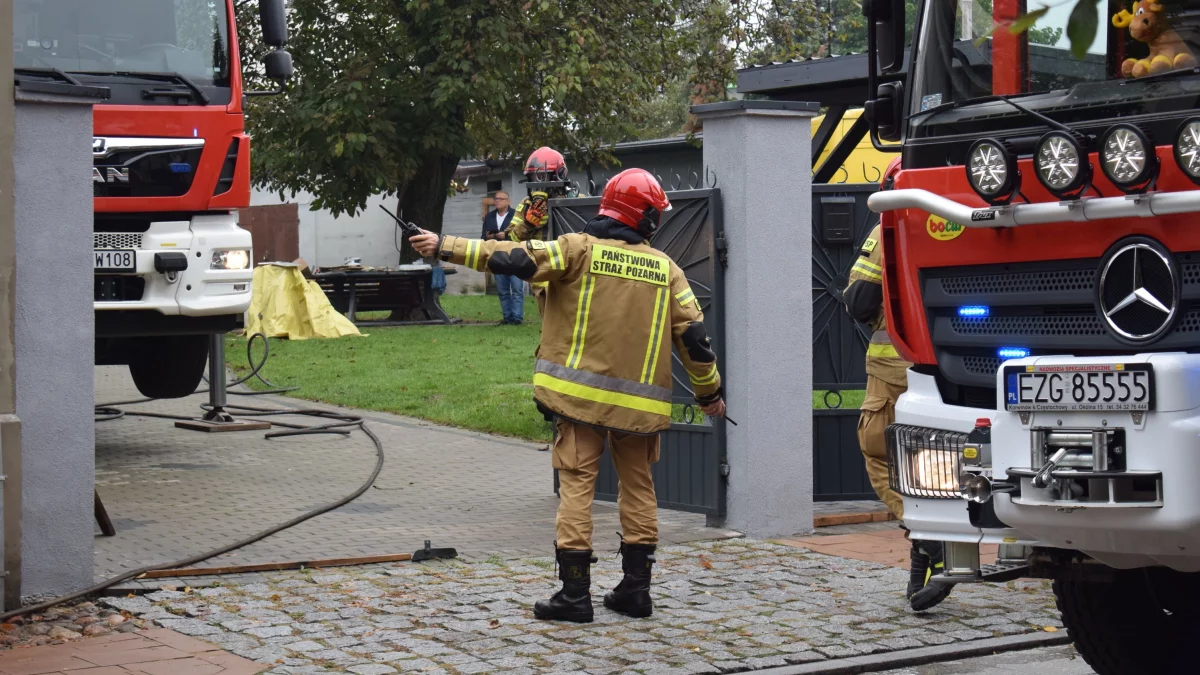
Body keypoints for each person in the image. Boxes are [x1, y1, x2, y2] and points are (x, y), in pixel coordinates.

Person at [410, 168, 726, 623]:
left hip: (578, 403)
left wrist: (445, 245)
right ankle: (637, 593)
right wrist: (709, 393)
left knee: (577, 489)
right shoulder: (667, 269)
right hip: (639, 410)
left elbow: (513, 258)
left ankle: (575, 597)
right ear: (644, 217)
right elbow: (695, 340)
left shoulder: (576, 250)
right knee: (639, 490)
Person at [843, 222, 951, 612]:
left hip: (894, 369)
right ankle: (923, 562)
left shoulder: (891, 225)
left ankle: (931, 540)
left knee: (881, 456)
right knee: (936, 465)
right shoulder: (958, 214)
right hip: (954, 366)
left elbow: (860, 300)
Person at [503, 147, 573, 317]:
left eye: (543, 176)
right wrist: (528, 224)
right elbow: (510, 238)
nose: (538, 182)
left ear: (558, 175)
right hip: (543, 281)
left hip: (572, 278)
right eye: (534, 177)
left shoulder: (574, 201)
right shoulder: (525, 205)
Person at [483, 192, 523, 324]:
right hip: (497, 256)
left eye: (501, 199)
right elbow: (482, 236)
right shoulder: (489, 216)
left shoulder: (516, 216)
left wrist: (505, 236)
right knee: (503, 291)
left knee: (517, 289)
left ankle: (517, 318)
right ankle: (507, 317)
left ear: (508, 201)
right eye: (496, 199)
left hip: (514, 256)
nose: (498, 201)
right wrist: (488, 237)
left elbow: (522, 234)